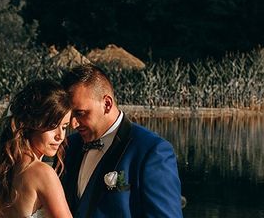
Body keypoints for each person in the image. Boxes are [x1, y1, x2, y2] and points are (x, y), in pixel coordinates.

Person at [60, 64, 183, 218]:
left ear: (107, 104)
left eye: (80, 113)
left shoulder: (151, 151)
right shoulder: (69, 146)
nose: (73, 124)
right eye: (70, 115)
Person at [0, 79, 73, 218]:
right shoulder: (42, 173)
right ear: (31, 123)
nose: (60, 136)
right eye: (52, 125)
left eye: (64, 127)